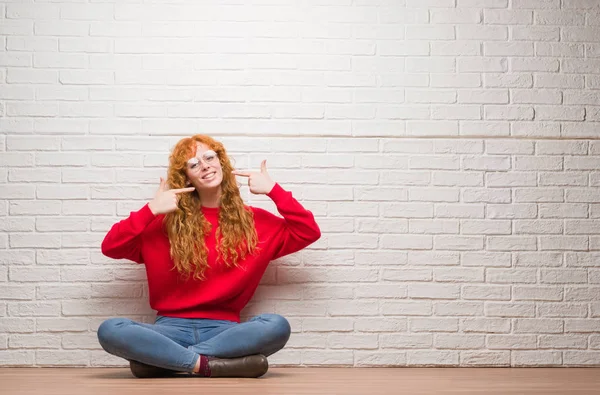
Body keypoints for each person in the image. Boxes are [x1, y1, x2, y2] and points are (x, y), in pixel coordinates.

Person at [96, 134, 321, 378]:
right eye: (193, 164)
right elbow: (111, 246)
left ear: (221, 162)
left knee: (276, 326)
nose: (204, 165)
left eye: (209, 157)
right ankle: (206, 365)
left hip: (225, 332)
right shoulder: (163, 224)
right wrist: (150, 209)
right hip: (169, 329)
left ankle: (165, 360)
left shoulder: (255, 222)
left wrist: (273, 191)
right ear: (186, 177)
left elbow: (308, 231)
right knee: (111, 329)